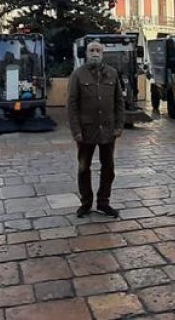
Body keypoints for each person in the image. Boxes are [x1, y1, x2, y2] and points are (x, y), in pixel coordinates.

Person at [67, 41, 125, 218]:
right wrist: (76, 131)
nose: (94, 53)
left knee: (108, 168)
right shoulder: (78, 75)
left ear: (103, 53)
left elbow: (119, 103)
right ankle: (86, 203)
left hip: (108, 131)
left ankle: (103, 202)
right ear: (86, 53)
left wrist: (119, 126)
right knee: (84, 168)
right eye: (91, 50)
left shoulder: (112, 74)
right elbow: (72, 105)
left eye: (98, 50)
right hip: (86, 131)